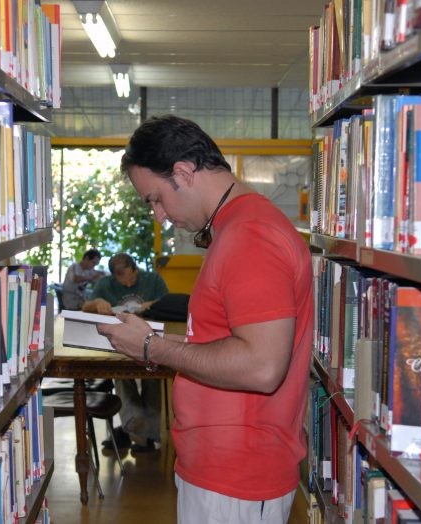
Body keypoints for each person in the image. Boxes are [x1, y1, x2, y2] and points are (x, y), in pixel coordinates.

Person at [97, 115, 314, 524]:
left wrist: (153, 348)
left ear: (183, 172)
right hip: (223, 472)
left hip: (237, 477)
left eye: (156, 199)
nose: (159, 216)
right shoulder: (236, 228)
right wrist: (153, 342)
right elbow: (225, 344)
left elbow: (262, 366)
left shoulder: (250, 235)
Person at [83, 252, 169, 451]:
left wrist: (152, 304)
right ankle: (138, 430)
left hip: (151, 338)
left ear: (135, 269)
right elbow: (85, 307)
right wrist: (96, 303)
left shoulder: (152, 279)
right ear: (113, 275)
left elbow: (169, 301)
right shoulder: (105, 284)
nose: (127, 282)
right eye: (120, 277)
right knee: (121, 374)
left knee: (153, 374)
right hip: (119, 343)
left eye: (129, 276)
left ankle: (139, 432)